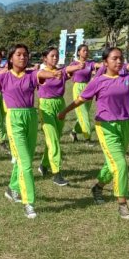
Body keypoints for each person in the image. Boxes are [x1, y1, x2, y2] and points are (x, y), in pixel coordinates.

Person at [58, 47, 129, 219]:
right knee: (120, 164)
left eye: (121, 58)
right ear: (105, 62)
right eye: (114, 58)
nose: (119, 61)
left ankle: (97, 187)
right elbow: (80, 100)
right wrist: (64, 112)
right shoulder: (98, 82)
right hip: (105, 127)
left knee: (112, 163)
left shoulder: (125, 78)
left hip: (124, 124)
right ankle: (122, 204)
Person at [0, 44, 61, 219]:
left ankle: (12, 188)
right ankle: (29, 202)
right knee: (26, 162)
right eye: (19, 54)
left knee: (23, 159)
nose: (23, 57)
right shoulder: (3, 77)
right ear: (11, 58)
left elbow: (41, 73)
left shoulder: (32, 75)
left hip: (31, 116)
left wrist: (52, 73)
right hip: (14, 119)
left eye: (25, 55)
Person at [36, 46, 86, 187]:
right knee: (53, 140)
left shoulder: (61, 71)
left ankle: (44, 165)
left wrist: (78, 66)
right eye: (52, 56)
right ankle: (56, 173)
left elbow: (66, 70)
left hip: (60, 104)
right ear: (45, 58)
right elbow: (43, 75)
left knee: (55, 138)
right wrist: (53, 74)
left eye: (56, 55)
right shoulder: (40, 72)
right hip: (45, 106)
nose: (55, 58)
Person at [68, 44, 97, 145]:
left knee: (84, 113)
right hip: (78, 88)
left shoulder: (90, 63)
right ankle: (87, 139)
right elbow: (67, 72)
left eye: (87, 50)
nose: (86, 52)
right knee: (83, 114)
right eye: (84, 50)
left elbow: (99, 66)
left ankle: (73, 132)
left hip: (88, 87)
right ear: (79, 52)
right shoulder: (74, 64)